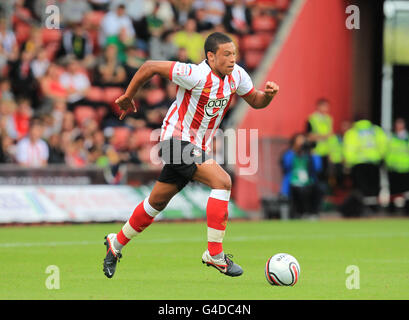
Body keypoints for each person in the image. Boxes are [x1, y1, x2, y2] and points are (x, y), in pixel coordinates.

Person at [102, 32, 279, 278]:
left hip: (195, 147)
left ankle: (116, 243)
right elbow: (150, 66)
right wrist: (128, 97)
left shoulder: (236, 75)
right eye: (226, 54)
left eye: (234, 54)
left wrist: (268, 95)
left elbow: (256, 101)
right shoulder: (194, 74)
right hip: (174, 142)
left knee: (156, 204)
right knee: (223, 181)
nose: (232, 59)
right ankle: (215, 254)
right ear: (210, 56)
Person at [341, 116, 387, 216]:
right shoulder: (376, 130)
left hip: (358, 164)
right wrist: (379, 156)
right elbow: (383, 144)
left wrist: (349, 163)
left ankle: (362, 210)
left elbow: (348, 149)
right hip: (374, 162)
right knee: (374, 187)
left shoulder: (353, 132)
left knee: (360, 189)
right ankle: (374, 209)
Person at [280, 133, 323, 218]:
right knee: (297, 192)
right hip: (293, 183)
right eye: (299, 140)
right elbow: (286, 166)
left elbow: (318, 168)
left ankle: (311, 213)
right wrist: (295, 152)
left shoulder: (310, 155)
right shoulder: (289, 154)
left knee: (317, 190)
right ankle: (297, 213)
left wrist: (311, 153)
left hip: (308, 183)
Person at [385, 118, 409, 214]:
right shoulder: (391, 138)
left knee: (406, 191)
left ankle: (407, 210)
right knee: (394, 190)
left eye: (401, 124)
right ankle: (392, 210)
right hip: (393, 168)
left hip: (406, 168)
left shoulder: (407, 138)